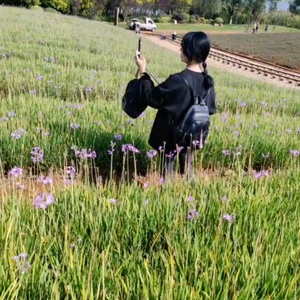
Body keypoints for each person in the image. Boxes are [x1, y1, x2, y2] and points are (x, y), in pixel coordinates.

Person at [131, 31, 217, 180]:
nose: (180, 50)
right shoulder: (208, 82)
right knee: (189, 172)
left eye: (182, 47)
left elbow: (151, 97)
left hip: (171, 137)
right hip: (194, 135)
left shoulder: (178, 80)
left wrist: (143, 71)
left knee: (167, 173)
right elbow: (210, 109)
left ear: (190, 51)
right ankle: (189, 191)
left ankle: (168, 191)